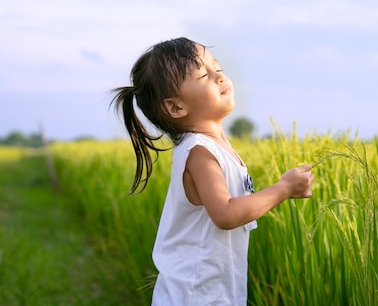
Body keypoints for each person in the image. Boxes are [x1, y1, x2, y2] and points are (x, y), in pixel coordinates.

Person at [111, 37, 314, 306]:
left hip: (212, 291)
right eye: (204, 74)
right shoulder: (200, 153)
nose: (219, 75)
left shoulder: (214, 148)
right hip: (196, 296)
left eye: (217, 67)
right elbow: (226, 213)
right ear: (175, 107)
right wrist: (284, 189)